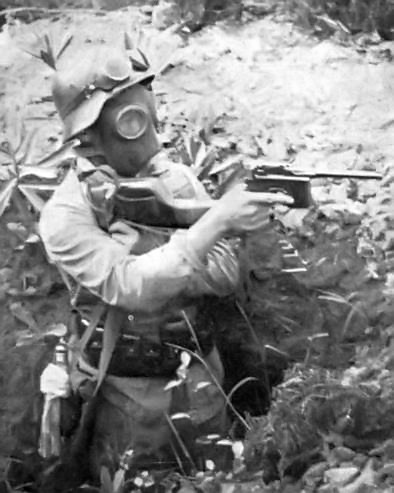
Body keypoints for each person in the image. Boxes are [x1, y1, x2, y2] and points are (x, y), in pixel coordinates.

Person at [38, 42, 274, 487]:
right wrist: (211, 226)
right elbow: (131, 288)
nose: (144, 125)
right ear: (89, 132)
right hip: (130, 402)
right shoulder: (67, 213)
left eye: (142, 104)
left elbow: (225, 275)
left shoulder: (176, 181)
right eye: (126, 116)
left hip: (203, 382)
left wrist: (154, 246)